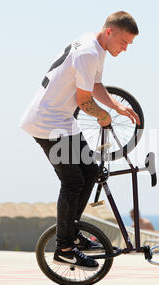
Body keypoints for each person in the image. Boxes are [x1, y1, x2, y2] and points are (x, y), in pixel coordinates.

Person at [20, 11, 140, 270]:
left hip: (63, 121)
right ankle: (64, 248)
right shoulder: (88, 52)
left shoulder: (95, 46)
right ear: (109, 32)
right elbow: (85, 102)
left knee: (91, 171)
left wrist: (116, 107)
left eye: (129, 44)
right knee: (72, 181)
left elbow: (95, 86)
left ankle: (71, 233)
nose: (125, 48)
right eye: (124, 42)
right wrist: (102, 116)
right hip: (47, 123)